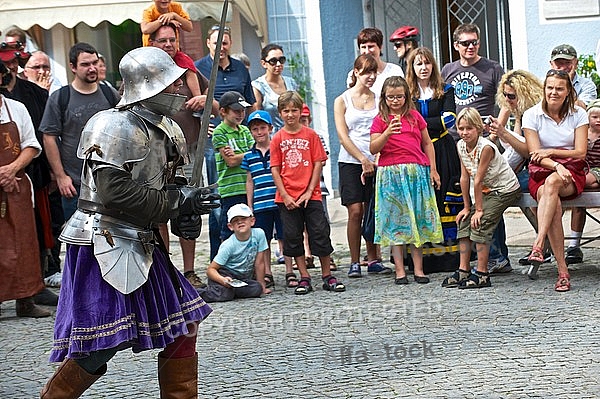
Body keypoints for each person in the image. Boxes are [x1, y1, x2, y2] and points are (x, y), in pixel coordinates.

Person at [40, 46, 217, 397]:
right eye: (172, 84)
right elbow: (115, 195)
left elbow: (172, 183)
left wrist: (187, 212)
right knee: (100, 344)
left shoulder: (168, 128)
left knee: (184, 325)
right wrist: (179, 202)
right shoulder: (111, 126)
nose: (180, 90)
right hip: (104, 240)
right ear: (146, 86)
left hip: (143, 238)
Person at [150, 23, 219, 290]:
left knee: (188, 210)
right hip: (157, 151)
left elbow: (215, 106)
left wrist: (204, 100)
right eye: (162, 40)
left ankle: (189, 271)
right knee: (158, 212)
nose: (168, 44)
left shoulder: (187, 68)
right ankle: (164, 269)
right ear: (153, 42)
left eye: (172, 40)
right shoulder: (144, 71)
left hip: (188, 151)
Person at [441, 23, 508, 271]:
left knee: (489, 198)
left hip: (484, 143)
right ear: (456, 45)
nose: (471, 47)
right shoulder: (448, 70)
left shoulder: (492, 68)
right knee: (466, 196)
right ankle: (476, 254)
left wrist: (496, 131)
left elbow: (507, 101)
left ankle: (498, 255)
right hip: (457, 142)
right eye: (466, 43)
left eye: (475, 42)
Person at [0, 42, 61, 302]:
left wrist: (12, 169)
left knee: (26, 240)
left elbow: (31, 145)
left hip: (18, 185)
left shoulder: (17, 108)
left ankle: (27, 297)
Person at [270, 91, 345, 295]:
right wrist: (285, 195)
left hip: (311, 195)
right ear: (280, 112)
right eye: (286, 111)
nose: (291, 115)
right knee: (293, 237)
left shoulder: (311, 135)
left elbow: (318, 162)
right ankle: (304, 276)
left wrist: (310, 190)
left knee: (320, 233)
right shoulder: (277, 138)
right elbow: (275, 168)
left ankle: (327, 274)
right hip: (287, 197)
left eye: (294, 110)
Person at [369, 76, 442, 285]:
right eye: (391, 97)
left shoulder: (414, 116)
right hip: (390, 174)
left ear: (406, 96)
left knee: (416, 221)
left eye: (399, 96)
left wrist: (433, 169)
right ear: (384, 97)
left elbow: (427, 143)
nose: (395, 101)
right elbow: (374, 148)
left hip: (416, 172)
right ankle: (400, 270)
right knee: (395, 224)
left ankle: (418, 269)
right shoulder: (380, 119)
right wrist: (387, 132)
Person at [522, 68, 589, 292]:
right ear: (544, 89)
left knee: (552, 185)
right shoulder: (531, 114)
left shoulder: (578, 114)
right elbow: (534, 154)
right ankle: (562, 272)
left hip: (571, 173)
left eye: (559, 88)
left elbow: (580, 152)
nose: (554, 92)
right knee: (551, 195)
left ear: (568, 91)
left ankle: (539, 244)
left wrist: (551, 153)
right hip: (543, 171)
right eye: (550, 87)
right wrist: (556, 164)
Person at [195, 24, 256, 260]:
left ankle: (243, 257)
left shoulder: (240, 67)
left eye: (225, 42)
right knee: (217, 203)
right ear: (208, 44)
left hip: (240, 134)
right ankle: (217, 257)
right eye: (216, 42)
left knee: (242, 201)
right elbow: (191, 103)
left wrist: (253, 132)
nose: (221, 46)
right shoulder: (200, 68)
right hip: (214, 140)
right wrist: (201, 123)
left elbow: (250, 101)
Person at [442, 108, 521, 289]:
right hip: (483, 191)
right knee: (464, 221)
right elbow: (464, 177)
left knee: (481, 222)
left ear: (478, 128)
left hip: (503, 189)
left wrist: (478, 210)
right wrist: (467, 207)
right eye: (461, 128)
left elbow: (477, 179)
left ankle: (482, 272)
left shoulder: (485, 147)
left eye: (469, 128)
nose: (464, 133)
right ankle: (463, 269)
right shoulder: (460, 145)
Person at [41, 42, 120, 222]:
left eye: (95, 62)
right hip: (75, 185)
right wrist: (61, 177)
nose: (92, 68)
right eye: (85, 64)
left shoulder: (110, 94)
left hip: (110, 183)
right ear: (73, 67)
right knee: (79, 246)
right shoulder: (60, 98)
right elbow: (49, 138)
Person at [405, 47, 462, 274]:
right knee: (421, 201)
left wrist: (419, 123)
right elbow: (406, 121)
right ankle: (421, 262)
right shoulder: (408, 94)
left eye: (427, 63)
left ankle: (449, 258)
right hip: (416, 152)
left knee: (443, 198)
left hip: (443, 150)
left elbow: (449, 120)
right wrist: (428, 121)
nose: (423, 68)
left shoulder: (446, 90)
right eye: (418, 64)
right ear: (412, 68)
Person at [334, 53, 391, 278]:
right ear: (356, 72)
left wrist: (376, 158)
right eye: (366, 71)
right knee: (355, 210)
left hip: (377, 158)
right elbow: (342, 135)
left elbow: (385, 128)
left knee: (372, 210)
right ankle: (355, 260)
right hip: (351, 160)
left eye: (373, 72)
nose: (370, 76)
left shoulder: (379, 99)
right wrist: (362, 159)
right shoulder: (343, 100)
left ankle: (374, 257)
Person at [487, 70, 547, 267]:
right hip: (532, 169)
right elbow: (518, 152)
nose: (507, 100)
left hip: (543, 169)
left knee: (493, 194)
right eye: (504, 95)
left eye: (511, 96)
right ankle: (498, 255)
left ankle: (497, 257)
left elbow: (530, 151)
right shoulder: (521, 113)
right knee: (490, 189)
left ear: (524, 94)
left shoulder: (536, 113)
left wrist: (503, 133)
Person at [549, 44, 598, 263]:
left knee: (570, 186)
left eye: (567, 62)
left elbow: (579, 109)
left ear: (575, 63)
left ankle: (569, 247)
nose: (563, 66)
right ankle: (553, 247)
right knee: (535, 191)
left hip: (579, 156)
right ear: (551, 64)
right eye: (559, 63)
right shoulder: (546, 86)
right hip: (555, 157)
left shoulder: (586, 85)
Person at [241, 110, 297, 288]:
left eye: (262, 128)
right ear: (251, 131)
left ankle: (289, 270)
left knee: (285, 236)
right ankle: (267, 272)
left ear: (270, 128)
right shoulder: (249, 156)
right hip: (260, 203)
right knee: (263, 239)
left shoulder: (279, 149)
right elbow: (249, 181)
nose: (259, 132)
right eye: (255, 129)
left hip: (280, 201)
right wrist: (249, 206)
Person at [197, 203, 272, 302]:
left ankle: (229, 291)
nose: (240, 222)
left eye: (243, 218)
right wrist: (222, 280)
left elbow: (259, 263)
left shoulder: (259, 234)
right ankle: (196, 293)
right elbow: (211, 270)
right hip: (223, 274)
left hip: (241, 278)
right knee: (224, 295)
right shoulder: (228, 245)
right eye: (235, 220)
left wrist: (262, 286)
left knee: (256, 288)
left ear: (252, 221)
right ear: (230, 226)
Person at [213, 91, 254, 241]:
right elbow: (230, 162)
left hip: (247, 187)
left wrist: (239, 155)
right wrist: (248, 153)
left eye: (243, 111)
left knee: (249, 227)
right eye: (236, 111)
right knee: (230, 229)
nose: (241, 114)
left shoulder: (245, 130)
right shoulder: (219, 132)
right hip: (230, 189)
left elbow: (253, 154)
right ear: (223, 111)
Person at [346, 27, 404, 101]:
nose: (367, 51)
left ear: (380, 47)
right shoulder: (354, 75)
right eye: (363, 47)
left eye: (371, 47)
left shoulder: (394, 71)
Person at [252, 43, 298, 131]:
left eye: (281, 60)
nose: (278, 64)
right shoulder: (258, 86)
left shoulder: (291, 83)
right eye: (273, 61)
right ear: (264, 63)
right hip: (270, 136)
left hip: (292, 132)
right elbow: (257, 116)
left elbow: (299, 109)